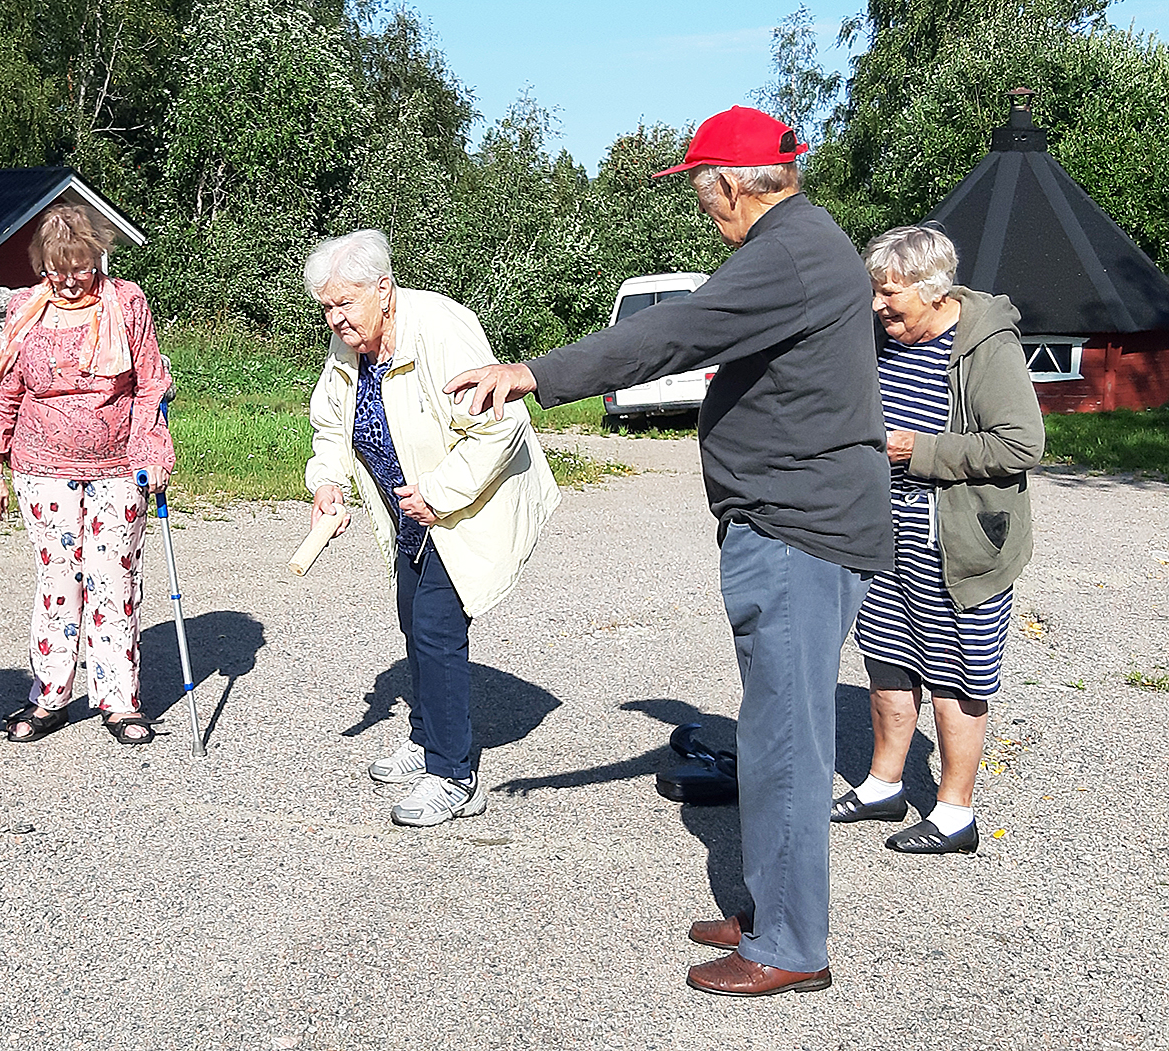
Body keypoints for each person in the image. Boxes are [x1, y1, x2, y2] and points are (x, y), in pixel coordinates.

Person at [446, 107, 892, 996]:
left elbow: (672, 332)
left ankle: (793, 946)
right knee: (767, 737)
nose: (700, 207)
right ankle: (768, 908)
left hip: (796, 530)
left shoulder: (788, 252)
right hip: (790, 522)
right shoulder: (801, 245)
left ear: (726, 183)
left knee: (789, 748)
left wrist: (534, 373)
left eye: (698, 190)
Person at [302, 229, 560, 828]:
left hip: (463, 503)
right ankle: (425, 739)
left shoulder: (442, 328)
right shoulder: (349, 345)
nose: (336, 318)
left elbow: (503, 423)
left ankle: (453, 774)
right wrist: (328, 483)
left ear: (384, 290)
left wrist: (440, 494)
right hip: (406, 511)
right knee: (412, 617)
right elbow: (332, 424)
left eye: (345, 304)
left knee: (439, 628)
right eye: (327, 308)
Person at [830, 225, 1043, 854]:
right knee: (888, 665)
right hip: (883, 536)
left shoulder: (985, 345)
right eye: (874, 292)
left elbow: (1021, 444)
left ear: (932, 289)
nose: (877, 305)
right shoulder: (882, 336)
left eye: (889, 293)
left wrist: (916, 451)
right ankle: (883, 785)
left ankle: (955, 814)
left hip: (958, 544)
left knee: (956, 679)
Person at [0, 204, 174, 746]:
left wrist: (150, 452)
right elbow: (5, 391)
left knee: (113, 577)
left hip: (117, 468)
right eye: (55, 269)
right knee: (58, 580)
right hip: (41, 468)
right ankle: (49, 698)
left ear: (97, 259)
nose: (66, 281)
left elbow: (151, 384)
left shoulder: (126, 302)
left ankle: (119, 701)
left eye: (79, 268)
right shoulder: (24, 309)